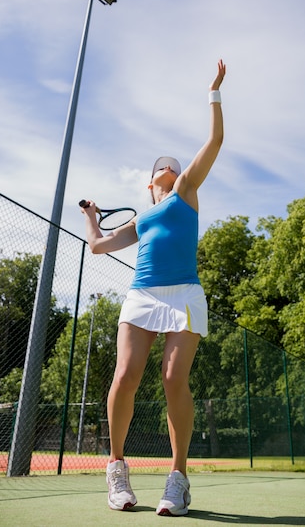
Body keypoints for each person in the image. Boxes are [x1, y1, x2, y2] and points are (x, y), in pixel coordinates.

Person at [81, 59, 226, 516]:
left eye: (174, 164)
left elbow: (215, 141)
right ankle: (117, 470)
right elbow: (99, 247)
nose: (170, 166)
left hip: (184, 293)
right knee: (125, 376)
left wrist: (213, 92)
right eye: (162, 166)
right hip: (141, 295)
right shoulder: (141, 217)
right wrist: (91, 217)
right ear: (149, 183)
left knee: (172, 378)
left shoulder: (186, 191)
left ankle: (178, 479)